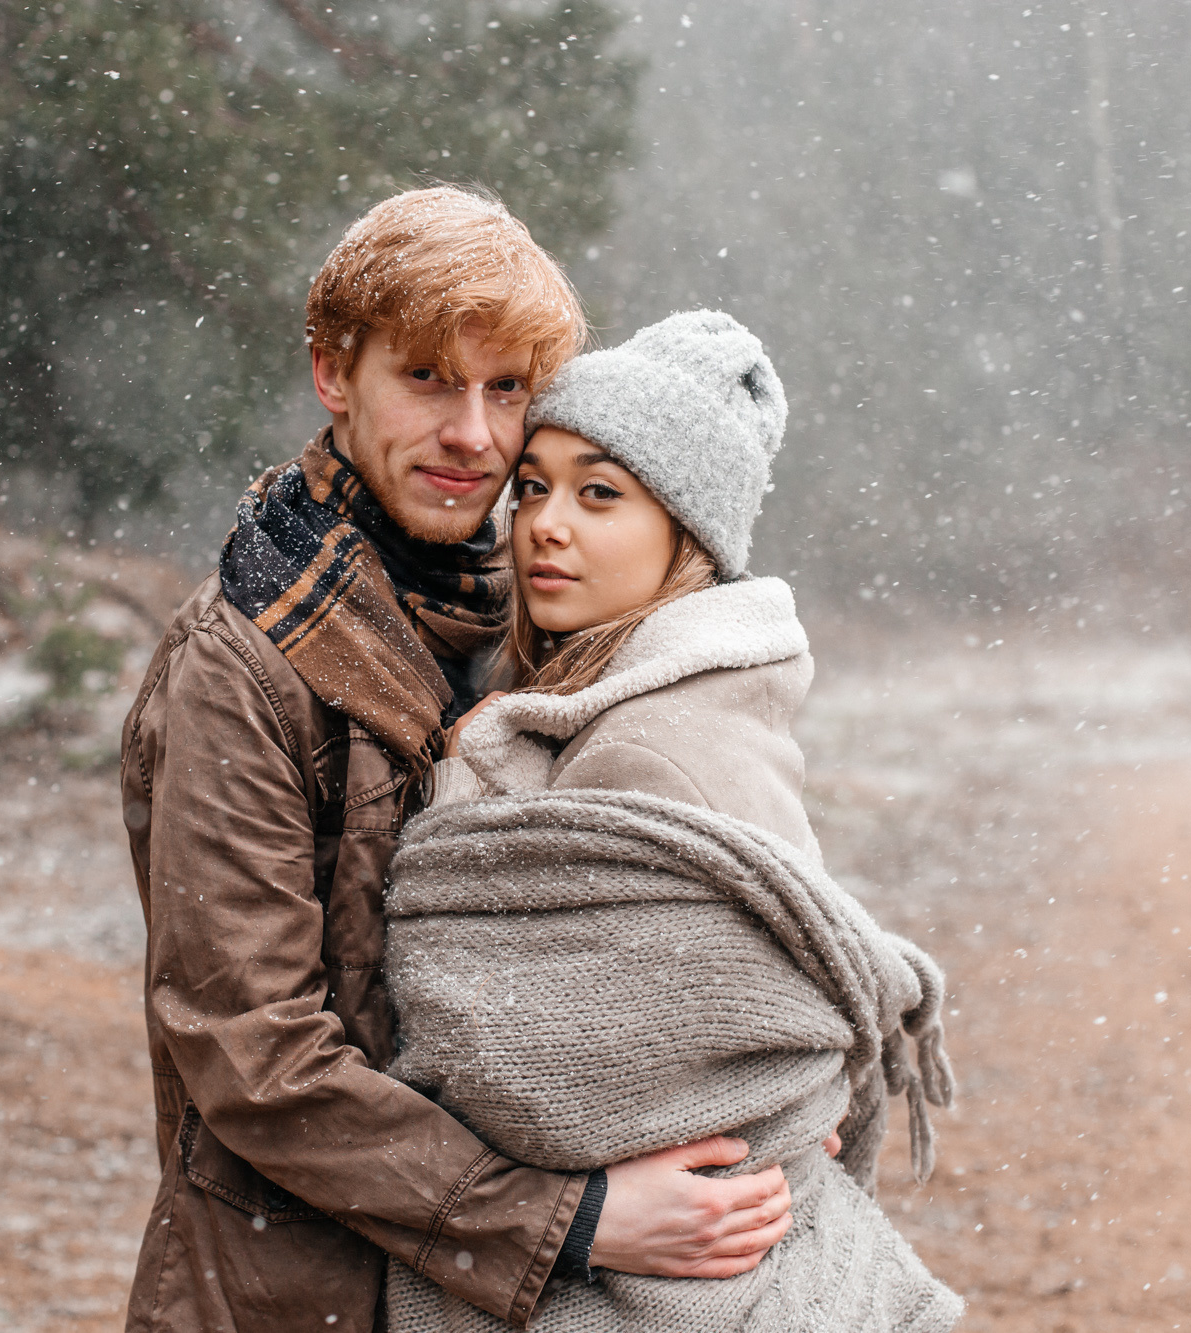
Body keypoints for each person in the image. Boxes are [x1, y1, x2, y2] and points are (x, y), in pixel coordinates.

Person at [119, 191, 795, 1333]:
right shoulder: (238, 666)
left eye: (504, 389)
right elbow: (253, 1057)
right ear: (336, 373)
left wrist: (757, 1104)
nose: (472, 435)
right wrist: (563, 1221)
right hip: (293, 1293)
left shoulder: (509, 621)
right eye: (427, 377)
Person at [382, 311, 964, 1331]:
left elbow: (520, 1066)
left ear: (686, 533)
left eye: (598, 493)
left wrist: (462, 777)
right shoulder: (621, 699)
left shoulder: (652, 744)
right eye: (533, 487)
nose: (544, 523)